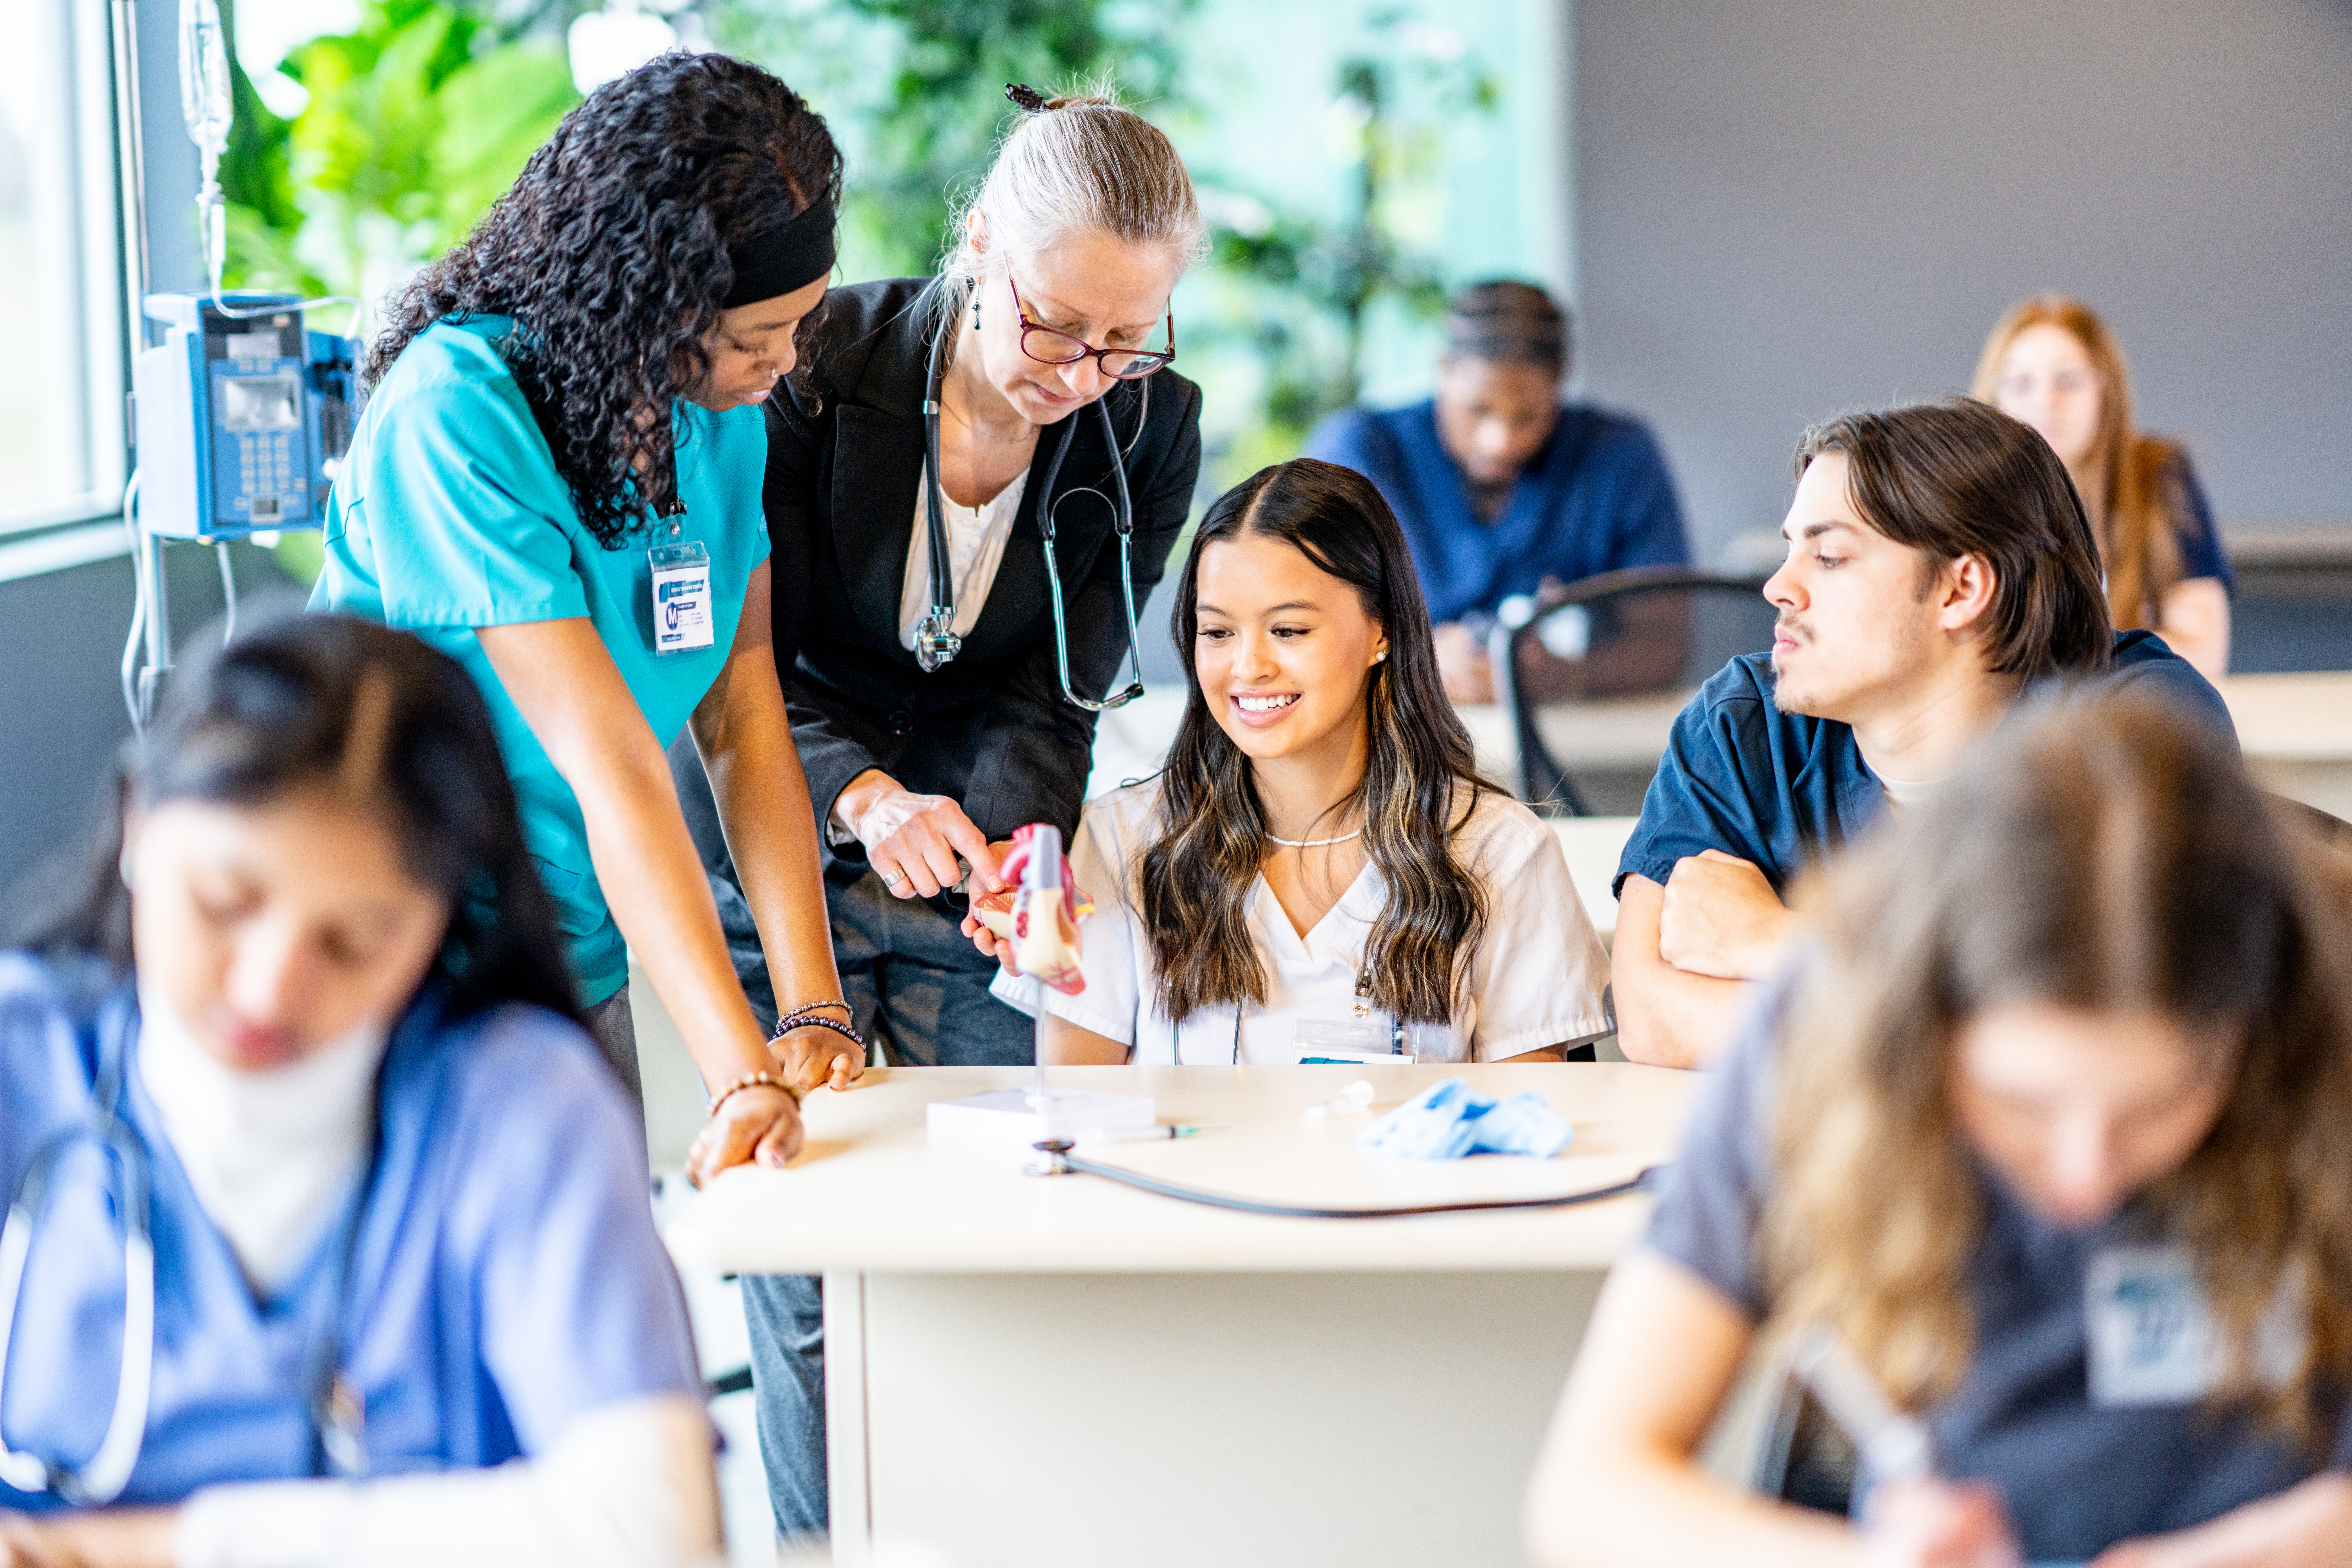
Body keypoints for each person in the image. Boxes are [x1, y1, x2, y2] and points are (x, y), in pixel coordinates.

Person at [666, 83, 1205, 1542]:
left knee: (1009, 1227)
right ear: (981, 244)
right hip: (789, 812)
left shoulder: (1148, 423)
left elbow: (1065, 675)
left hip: (976, 838)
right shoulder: (810, 364)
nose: (1082, 371)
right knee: (814, 1262)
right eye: (1053, 326)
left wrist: (1017, 842)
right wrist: (858, 792)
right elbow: (738, 662)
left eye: (1123, 337)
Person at [1524, 693, 2352, 1567]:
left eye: (2158, 1106)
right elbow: (1588, 1493)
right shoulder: (1822, 1036)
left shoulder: (2328, 1014)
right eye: (2022, 1107)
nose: (2083, 1177)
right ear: (1923, 1032)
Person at [0, 617, 721, 1566]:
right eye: (223, 902)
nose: (270, 989)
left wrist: (132, 1549)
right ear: (137, 822)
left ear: (441, 921)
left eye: (356, 941)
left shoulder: (520, 1109)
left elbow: (653, 1533)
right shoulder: (25, 1061)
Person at [311, 54, 853, 1183]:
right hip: (402, 953)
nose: (784, 363)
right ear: (654, 310)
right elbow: (611, 763)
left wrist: (814, 1013)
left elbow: (743, 715)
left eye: (797, 328)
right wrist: (740, 1070)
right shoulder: (454, 415)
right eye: (757, 338)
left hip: (570, 939)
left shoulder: (720, 415)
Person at [1611, 398, 2233, 1070]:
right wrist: (1951, 1011)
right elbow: (1651, 1018)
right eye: (1791, 548)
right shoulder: (1741, 723)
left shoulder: (2137, 725)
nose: (1777, 587)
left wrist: (1780, 942)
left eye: (1828, 556)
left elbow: (2101, 1030)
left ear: (1961, 588)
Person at [979, 458, 1612, 1065]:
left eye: (1288, 630)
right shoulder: (1121, 842)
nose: (1248, 667)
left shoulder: (1501, 854)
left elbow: (1522, 1136)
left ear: (1382, 631)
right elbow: (1068, 1110)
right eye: (1218, 632)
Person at [1303, 281, 1689, 705]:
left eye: (1529, 415)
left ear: (1561, 381)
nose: (1500, 442)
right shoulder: (1360, 453)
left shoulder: (1619, 457)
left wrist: (1562, 674)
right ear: (1445, 368)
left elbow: (1665, 644)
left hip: (1574, 751)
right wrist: (1415, 663)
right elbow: (1300, 627)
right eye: (1478, 410)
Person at [1975, 295, 2234, 681]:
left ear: (2105, 390)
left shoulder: (2157, 476)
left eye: (2069, 380)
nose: (2046, 402)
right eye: (2020, 382)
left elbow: (2204, 656)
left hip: (2131, 722)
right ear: (1994, 397)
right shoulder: (1970, 496)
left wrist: (2050, 648)